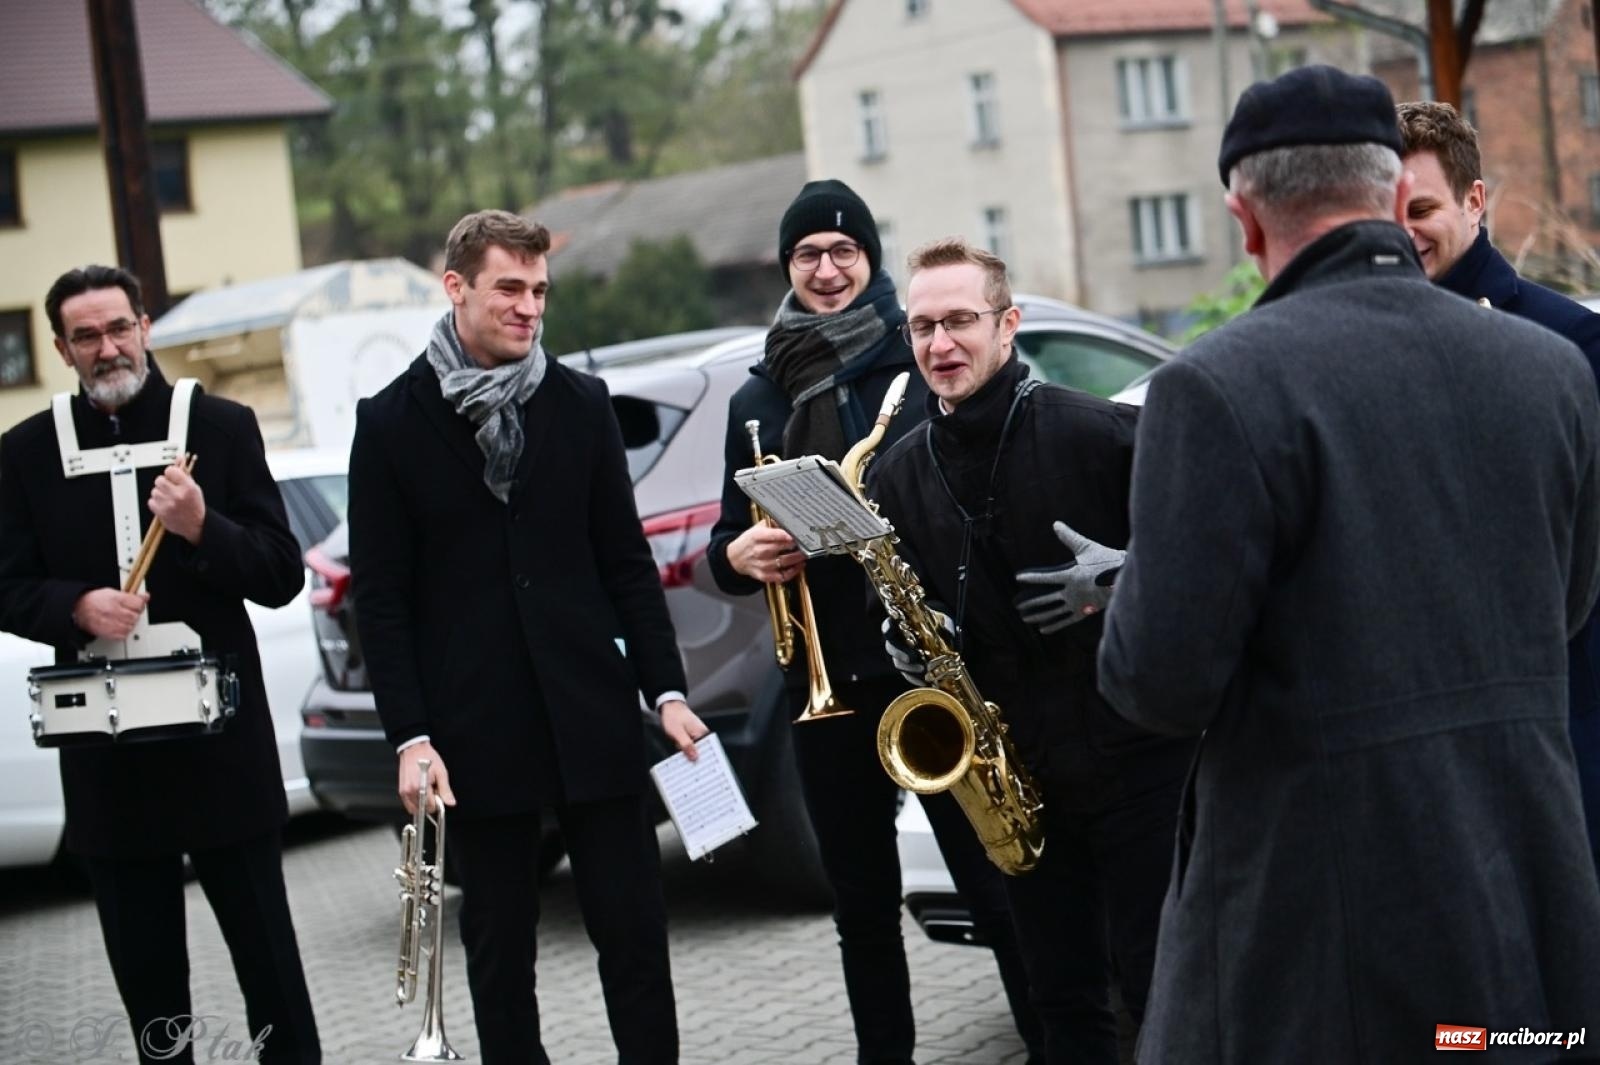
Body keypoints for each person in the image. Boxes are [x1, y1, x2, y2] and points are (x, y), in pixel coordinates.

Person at [1098, 66, 1600, 1061]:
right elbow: (1570, 603)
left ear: (1244, 220)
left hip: (1319, 941)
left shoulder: (1213, 387)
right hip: (1524, 909)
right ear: (1391, 190)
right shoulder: (1550, 370)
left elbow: (1157, 682)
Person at [348, 209, 704, 1065]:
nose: (530, 307)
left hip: (593, 716)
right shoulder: (389, 421)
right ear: (457, 287)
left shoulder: (580, 404)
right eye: (510, 287)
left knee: (635, 937)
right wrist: (411, 737)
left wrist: (667, 690)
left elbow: (626, 564)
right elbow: (382, 601)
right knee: (500, 953)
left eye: (540, 290)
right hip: (473, 732)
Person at [705, 181, 1042, 1065]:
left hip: (927, 670)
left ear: (869, 259)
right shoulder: (756, 396)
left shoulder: (916, 356)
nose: (827, 269)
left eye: (843, 251)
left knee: (993, 884)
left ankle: (1052, 1043)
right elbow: (722, 544)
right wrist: (740, 553)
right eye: (808, 254)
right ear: (788, 265)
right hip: (826, 689)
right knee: (860, 907)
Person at [861, 236, 1194, 1064]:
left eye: (960, 321)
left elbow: (1210, 551)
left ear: (1007, 326)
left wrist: (1129, 575)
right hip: (1019, 778)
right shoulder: (897, 473)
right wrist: (904, 641)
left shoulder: (1101, 432)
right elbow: (894, 600)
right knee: (1059, 1002)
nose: (940, 344)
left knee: (1163, 988)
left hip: (1140, 766)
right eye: (923, 326)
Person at [0, 266, 320, 1064]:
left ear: (144, 327)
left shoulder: (222, 426)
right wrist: (76, 605)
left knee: (271, 972)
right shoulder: (25, 452)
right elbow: (6, 584)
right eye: (86, 336)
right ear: (61, 348)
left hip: (223, 753)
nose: (107, 348)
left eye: (119, 328)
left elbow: (281, 574)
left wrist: (205, 525)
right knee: (150, 993)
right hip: (109, 767)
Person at [1398, 99, 1600, 877]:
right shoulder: (1364, 349)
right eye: (1387, 213)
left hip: (1557, 713)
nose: (1403, 231)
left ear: (1474, 200)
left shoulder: (1573, 341)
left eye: (1422, 209)